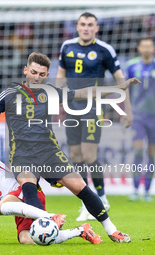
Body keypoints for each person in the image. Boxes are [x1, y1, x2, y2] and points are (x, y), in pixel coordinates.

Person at [0, 52, 140, 243]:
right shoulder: (10, 93)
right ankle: (50, 221)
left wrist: (119, 88)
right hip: (22, 155)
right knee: (29, 188)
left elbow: (85, 93)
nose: (37, 77)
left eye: (42, 74)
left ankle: (112, 230)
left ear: (47, 75)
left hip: (50, 152)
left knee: (81, 188)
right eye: (34, 72)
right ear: (26, 71)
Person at [0, 106, 101, 245]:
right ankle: (80, 231)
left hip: (26, 192)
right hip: (18, 208)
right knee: (28, 240)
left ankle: (51, 216)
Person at [56, 12, 133, 221]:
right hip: (71, 107)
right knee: (75, 157)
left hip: (94, 107)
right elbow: (61, 75)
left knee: (89, 155)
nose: (86, 28)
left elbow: (121, 80)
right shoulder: (67, 47)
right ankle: (86, 201)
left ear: (96, 28)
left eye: (90, 25)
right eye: (83, 24)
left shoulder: (104, 50)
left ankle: (101, 197)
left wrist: (127, 110)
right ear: (78, 27)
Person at [126, 38, 155, 202]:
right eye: (143, 45)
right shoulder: (132, 66)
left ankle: (147, 190)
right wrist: (126, 111)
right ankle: (135, 189)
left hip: (154, 117)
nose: (146, 48)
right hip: (138, 116)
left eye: (149, 46)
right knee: (137, 151)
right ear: (139, 48)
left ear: (153, 48)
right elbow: (126, 89)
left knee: (152, 155)